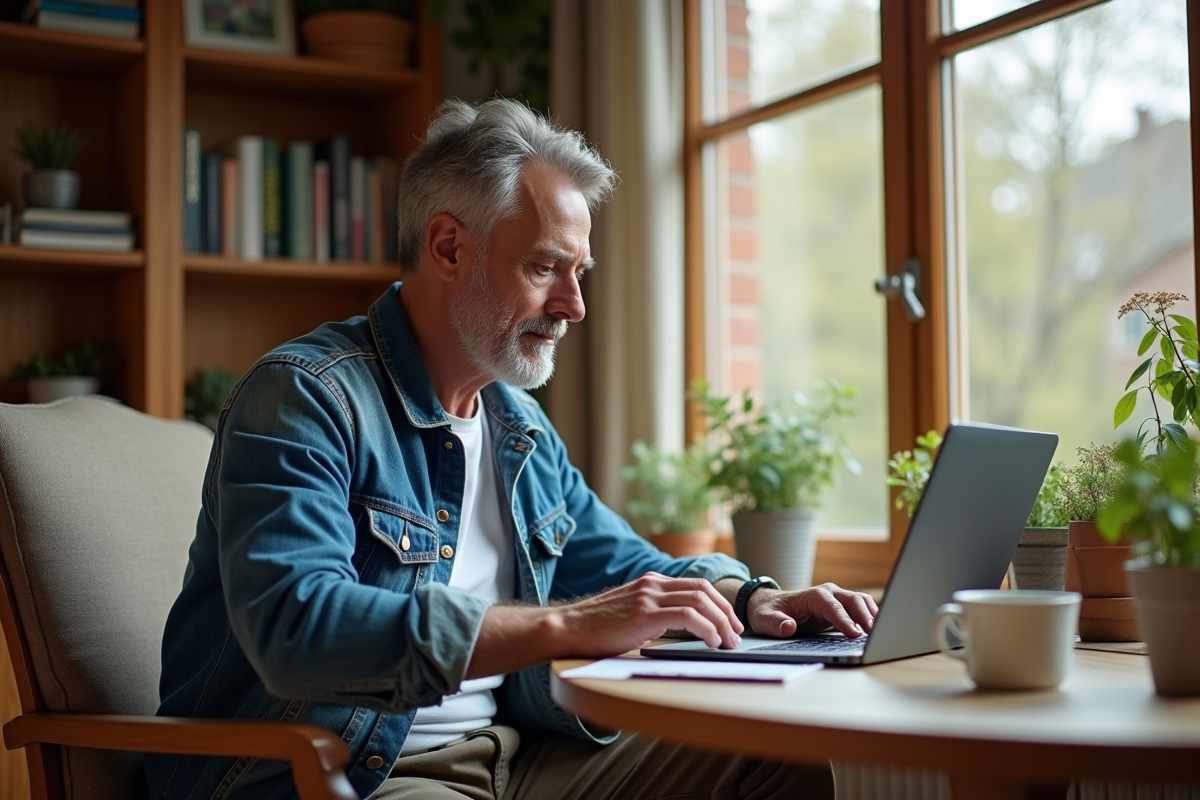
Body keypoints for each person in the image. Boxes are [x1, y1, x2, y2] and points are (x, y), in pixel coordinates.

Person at [147, 98, 878, 800]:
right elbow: (298, 630)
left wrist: (759, 600)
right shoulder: (305, 397)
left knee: (773, 761)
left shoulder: (515, 426)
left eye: (578, 273)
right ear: (448, 247)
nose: (574, 306)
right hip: (348, 772)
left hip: (516, 757)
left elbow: (633, 571)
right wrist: (569, 625)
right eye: (544, 268)